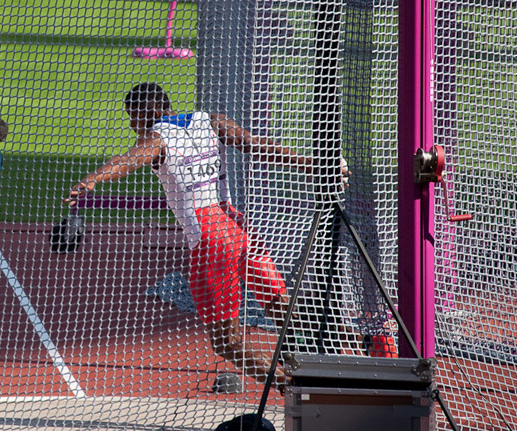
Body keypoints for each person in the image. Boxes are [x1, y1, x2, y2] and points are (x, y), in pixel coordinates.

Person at [65, 82, 349, 393]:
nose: (133, 125)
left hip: (210, 241)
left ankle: (290, 385)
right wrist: (314, 164)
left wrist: (91, 180)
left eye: (134, 117)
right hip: (240, 230)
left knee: (225, 341)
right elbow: (258, 145)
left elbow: (127, 161)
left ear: (151, 111)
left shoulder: (157, 138)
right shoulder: (212, 121)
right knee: (279, 306)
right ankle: (320, 359)